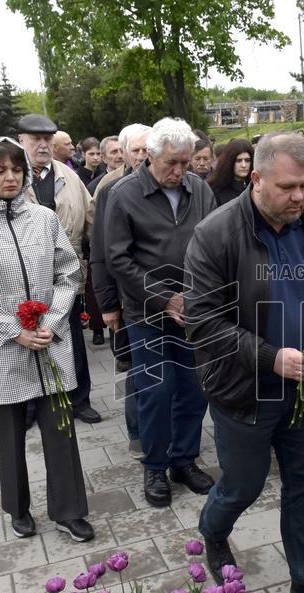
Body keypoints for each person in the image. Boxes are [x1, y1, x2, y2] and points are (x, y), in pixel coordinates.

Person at [184, 132, 304, 593]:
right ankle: (213, 530)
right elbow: (201, 321)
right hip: (245, 389)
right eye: (287, 187)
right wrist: (270, 357)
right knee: (243, 484)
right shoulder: (216, 233)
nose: (299, 197)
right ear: (257, 179)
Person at [0, 137, 94, 543]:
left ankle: (69, 510)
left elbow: (68, 272)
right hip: (3, 346)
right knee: (11, 430)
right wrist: (14, 330)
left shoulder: (43, 218)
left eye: (16, 169)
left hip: (49, 338)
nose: (9, 177)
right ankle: (17, 508)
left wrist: (52, 318)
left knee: (60, 426)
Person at [104, 117, 217, 508]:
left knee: (195, 387)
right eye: (172, 163)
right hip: (146, 312)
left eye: (185, 162)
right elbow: (118, 258)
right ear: (150, 156)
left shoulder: (199, 190)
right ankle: (154, 466)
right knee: (156, 390)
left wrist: (198, 296)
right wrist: (165, 299)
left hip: (195, 310)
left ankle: (183, 460)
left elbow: (214, 244)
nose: (179, 171)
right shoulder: (124, 194)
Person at [18, 113, 102, 425]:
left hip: (67, 271)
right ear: (22, 141)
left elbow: (91, 218)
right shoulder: (12, 176)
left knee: (72, 337)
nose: (43, 145)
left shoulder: (68, 176)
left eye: (47, 139)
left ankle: (79, 399)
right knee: (30, 336)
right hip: (25, 274)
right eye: (36, 139)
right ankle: (31, 406)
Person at [89, 123, 151, 461]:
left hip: (166, 297)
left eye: (146, 149)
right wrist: (108, 304)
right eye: (135, 150)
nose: (141, 156)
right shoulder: (111, 190)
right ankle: (138, 434)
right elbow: (100, 251)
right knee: (137, 368)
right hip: (129, 298)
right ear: (123, 153)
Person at [208, 139, 253, 206]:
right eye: (238, 161)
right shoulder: (215, 190)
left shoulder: (256, 186)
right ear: (230, 161)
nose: (244, 165)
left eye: (247, 160)